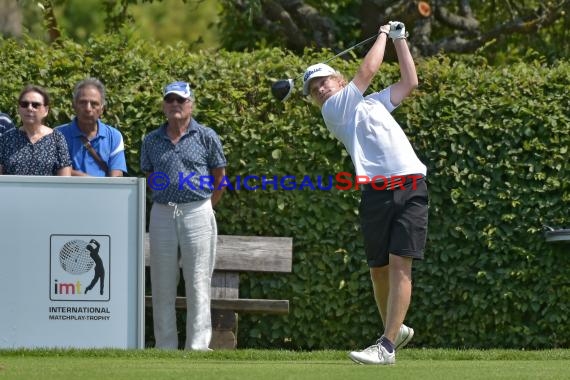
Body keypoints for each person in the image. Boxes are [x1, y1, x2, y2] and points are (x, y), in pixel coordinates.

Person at [303, 21, 428, 365]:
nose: (320, 90)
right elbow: (369, 68)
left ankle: (387, 345)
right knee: (378, 269)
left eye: (323, 82)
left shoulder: (373, 104)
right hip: (374, 193)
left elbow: (409, 82)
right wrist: (384, 33)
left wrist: (400, 39)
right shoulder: (334, 111)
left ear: (339, 80)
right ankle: (395, 327)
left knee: (401, 264)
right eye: (313, 89)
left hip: (410, 185)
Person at [140, 81, 227, 350]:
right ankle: (165, 347)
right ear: (164, 106)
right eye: (170, 100)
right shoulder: (151, 140)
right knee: (162, 283)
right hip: (162, 212)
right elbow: (149, 174)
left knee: (198, 280)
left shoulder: (206, 135)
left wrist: (206, 207)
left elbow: (220, 177)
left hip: (198, 210)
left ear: (191, 104)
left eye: (181, 100)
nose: (175, 104)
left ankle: (198, 347)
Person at [56, 78, 127, 177]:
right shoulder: (58, 135)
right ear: (74, 106)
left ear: (102, 109)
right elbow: (55, 170)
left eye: (94, 104)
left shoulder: (114, 137)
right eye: (83, 103)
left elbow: (117, 176)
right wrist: (86, 180)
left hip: (103, 192)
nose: (88, 109)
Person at [0, 85, 71, 176]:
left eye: (35, 105)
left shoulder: (57, 139)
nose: (29, 108)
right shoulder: (6, 139)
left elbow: (65, 180)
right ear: (19, 108)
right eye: (24, 104)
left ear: (46, 110)